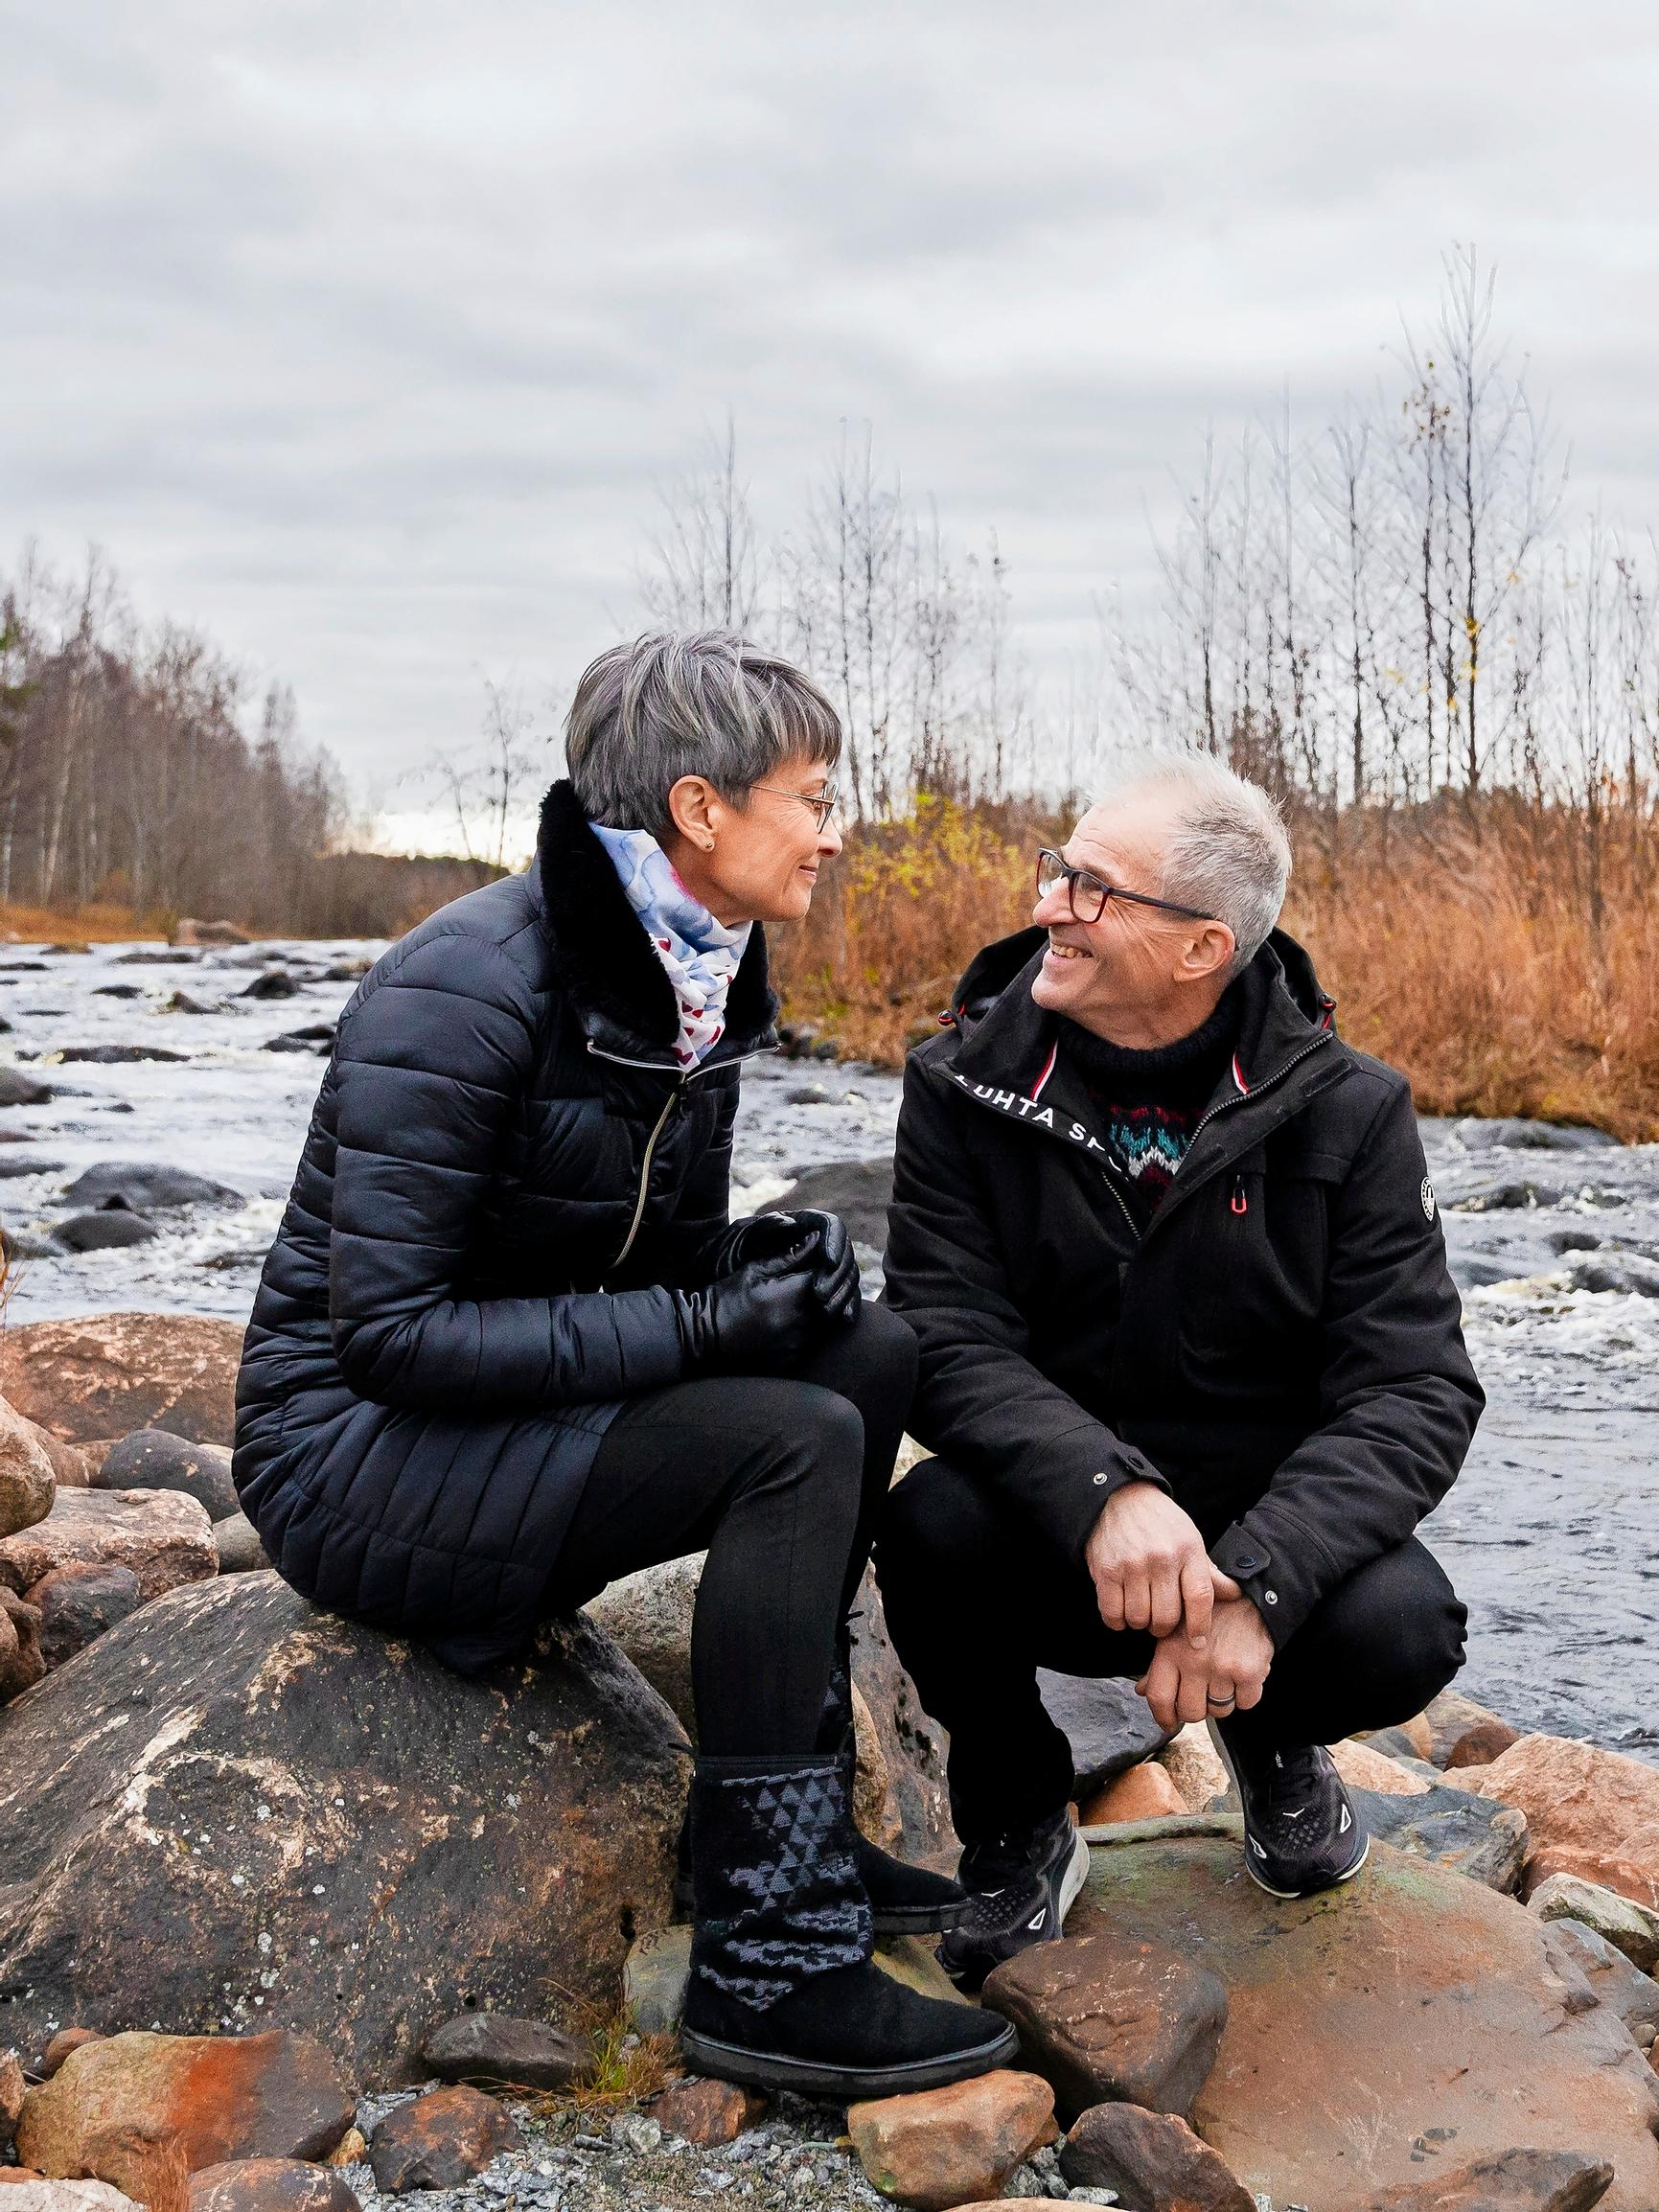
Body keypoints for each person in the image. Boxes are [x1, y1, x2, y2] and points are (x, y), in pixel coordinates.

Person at [234, 631, 1016, 2097]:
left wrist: (756, 1272)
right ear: (702, 809)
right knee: (790, 1442)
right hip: (345, 1459)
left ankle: (788, 1833)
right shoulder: (463, 985)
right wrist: (708, 1329)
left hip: (500, 1420)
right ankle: (769, 1965)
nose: (838, 833)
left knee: (868, 1354)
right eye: (816, 794)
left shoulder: (688, 979)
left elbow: (629, 1270)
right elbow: (388, 1335)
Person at [876, 753, 1484, 1993]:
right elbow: (940, 1333)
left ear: (1204, 949)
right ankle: (1017, 1815)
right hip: (1061, 1530)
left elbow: (1415, 1388)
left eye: (1093, 890)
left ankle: (1275, 1746)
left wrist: (1261, 1583)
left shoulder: (1353, 1111)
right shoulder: (960, 1082)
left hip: (1262, 1538)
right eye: (1059, 870)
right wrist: (1101, 1490)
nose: (1048, 903)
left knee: (1405, 1628)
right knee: (925, 1527)